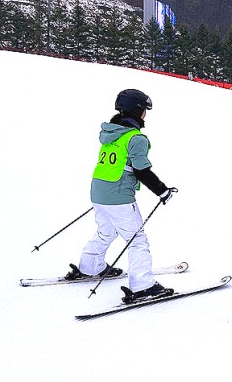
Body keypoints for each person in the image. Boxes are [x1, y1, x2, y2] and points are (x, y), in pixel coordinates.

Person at [64, 88, 176, 302]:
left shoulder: (111, 135)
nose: (145, 114)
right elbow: (141, 170)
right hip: (118, 197)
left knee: (106, 231)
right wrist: (162, 191)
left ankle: (89, 267)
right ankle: (143, 285)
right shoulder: (135, 138)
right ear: (137, 111)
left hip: (98, 192)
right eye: (144, 110)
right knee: (137, 240)